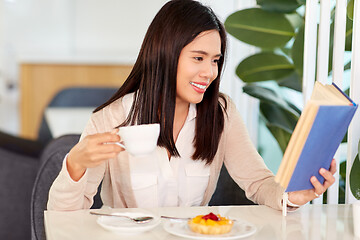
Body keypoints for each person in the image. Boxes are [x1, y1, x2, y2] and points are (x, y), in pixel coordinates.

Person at [47, 0, 336, 211]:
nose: (210, 72)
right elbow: (63, 218)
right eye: (198, 58)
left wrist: (293, 197)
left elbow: (259, 183)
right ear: (164, 55)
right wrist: (75, 164)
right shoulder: (110, 118)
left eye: (215, 60)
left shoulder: (222, 113)